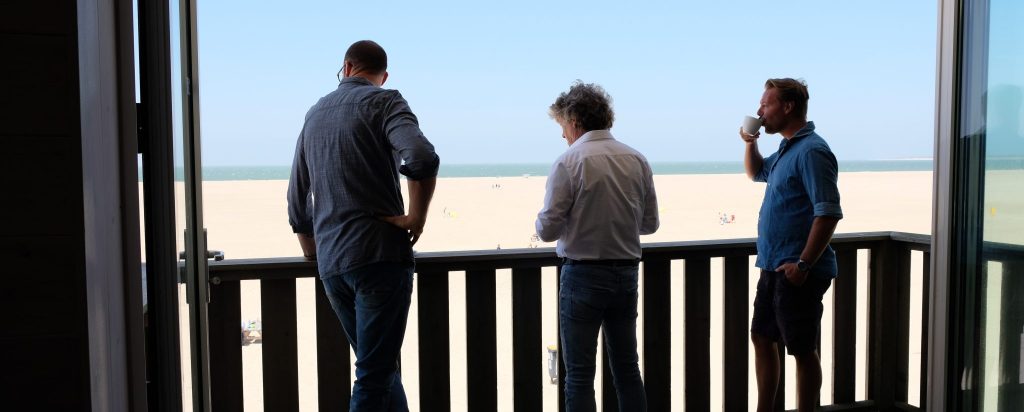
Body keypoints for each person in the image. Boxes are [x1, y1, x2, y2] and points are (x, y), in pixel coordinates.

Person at [287, 40, 439, 411]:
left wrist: (310, 245)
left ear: (347, 68)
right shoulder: (385, 101)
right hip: (378, 257)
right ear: (382, 76)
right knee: (373, 376)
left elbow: (297, 192)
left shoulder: (315, 113)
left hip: (333, 264)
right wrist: (416, 216)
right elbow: (420, 156)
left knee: (379, 369)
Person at [536, 81, 659, 412]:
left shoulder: (569, 161)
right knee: (627, 369)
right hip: (626, 274)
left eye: (562, 126)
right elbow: (650, 225)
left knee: (578, 375)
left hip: (583, 276)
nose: (563, 135)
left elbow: (547, 229)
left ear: (574, 121)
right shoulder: (637, 159)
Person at [741, 78, 843, 412]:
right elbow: (757, 173)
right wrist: (749, 143)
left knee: (800, 348)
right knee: (762, 338)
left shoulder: (812, 151)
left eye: (766, 105)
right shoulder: (787, 148)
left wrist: (803, 265)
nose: (759, 111)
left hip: (796, 269)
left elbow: (827, 213)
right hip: (773, 265)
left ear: (788, 107)